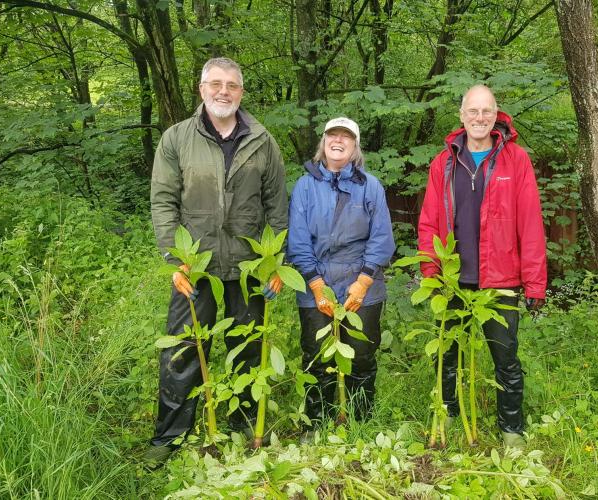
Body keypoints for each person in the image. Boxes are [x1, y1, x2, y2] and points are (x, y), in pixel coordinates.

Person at [145, 57, 288, 466]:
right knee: (185, 347)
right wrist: (175, 259)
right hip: (197, 263)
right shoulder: (176, 139)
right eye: (216, 84)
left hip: (248, 264)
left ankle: (243, 423)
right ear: (202, 88)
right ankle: (170, 436)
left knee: (247, 343)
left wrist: (273, 261)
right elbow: (163, 202)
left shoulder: (263, 140)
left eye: (232, 85)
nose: (223, 91)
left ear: (241, 92)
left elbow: (277, 207)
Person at [417, 84, 547, 448]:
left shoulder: (515, 159)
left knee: (505, 358)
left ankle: (511, 430)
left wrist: (535, 283)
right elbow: (428, 222)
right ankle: (449, 418)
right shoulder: (442, 163)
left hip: (500, 280)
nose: (479, 117)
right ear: (461, 115)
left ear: (495, 116)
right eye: (472, 111)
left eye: (485, 111)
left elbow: (531, 224)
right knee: (447, 355)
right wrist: (432, 274)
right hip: (453, 279)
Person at [287, 117, 395, 436]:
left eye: (346, 137)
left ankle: (361, 423)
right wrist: (317, 287)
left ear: (355, 146)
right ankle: (316, 426)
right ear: (323, 142)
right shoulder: (305, 186)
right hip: (315, 283)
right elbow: (297, 239)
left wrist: (362, 284)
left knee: (361, 356)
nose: (338, 140)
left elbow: (382, 238)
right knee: (317, 357)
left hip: (361, 282)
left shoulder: (370, 186)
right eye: (332, 134)